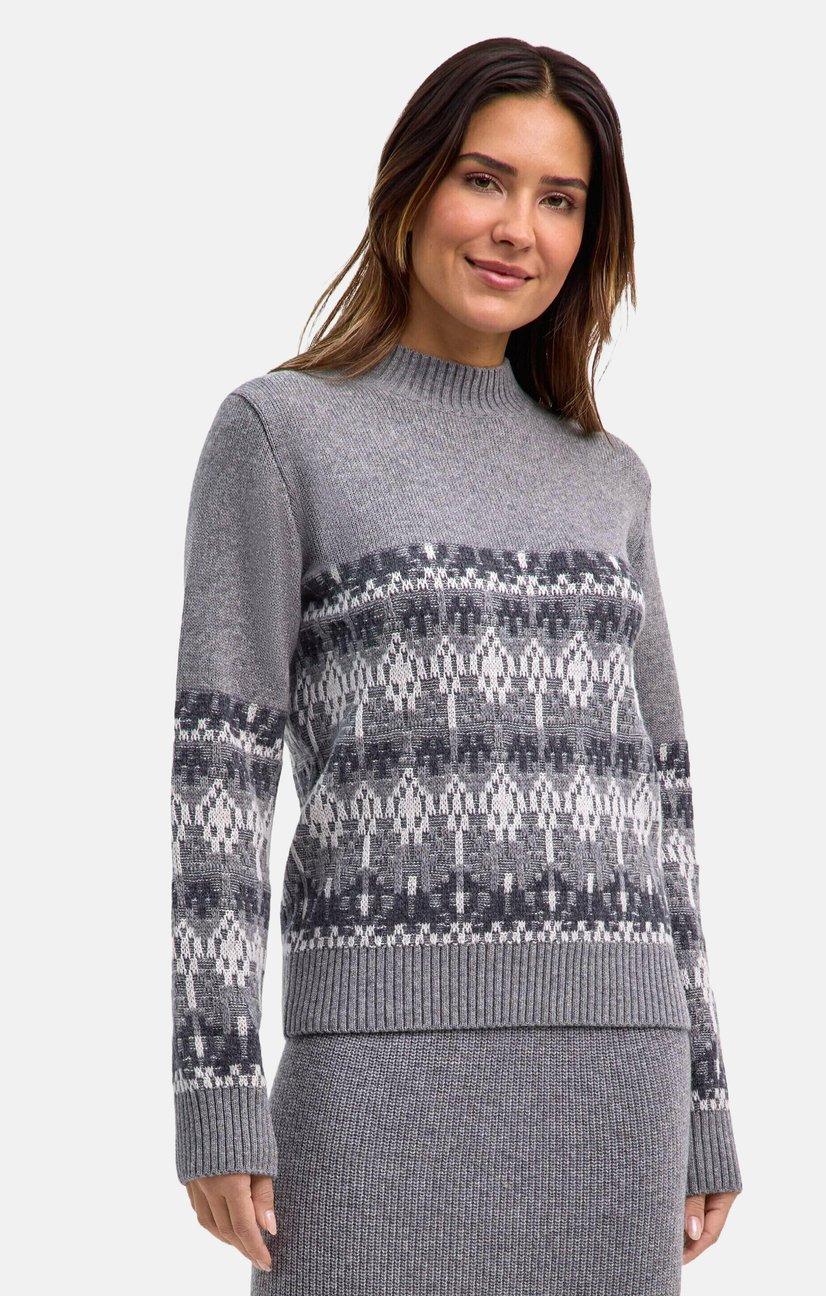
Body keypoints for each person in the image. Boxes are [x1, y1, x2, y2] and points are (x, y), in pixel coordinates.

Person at [169, 36, 743, 1295]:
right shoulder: (280, 433)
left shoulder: (609, 479)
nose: (517, 230)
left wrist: (706, 1098)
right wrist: (215, 1085)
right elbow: (220, 781)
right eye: (485, 179)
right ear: (413, 185)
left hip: (617, 1071)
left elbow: (665, 809)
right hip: (374, 1066)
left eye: (560, 199)